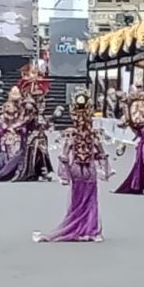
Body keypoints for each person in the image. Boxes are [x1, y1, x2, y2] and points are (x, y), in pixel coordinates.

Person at [33, 89, 112, 242]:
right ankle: (86, 229)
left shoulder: (86, 134)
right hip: (81, 168)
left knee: (88, 198)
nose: (83, 120)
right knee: (83, 198)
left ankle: (90, 229)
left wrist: (102, 163)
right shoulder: (80, 135)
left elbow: (98, 153)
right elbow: (67, 154)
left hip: (85, 167)